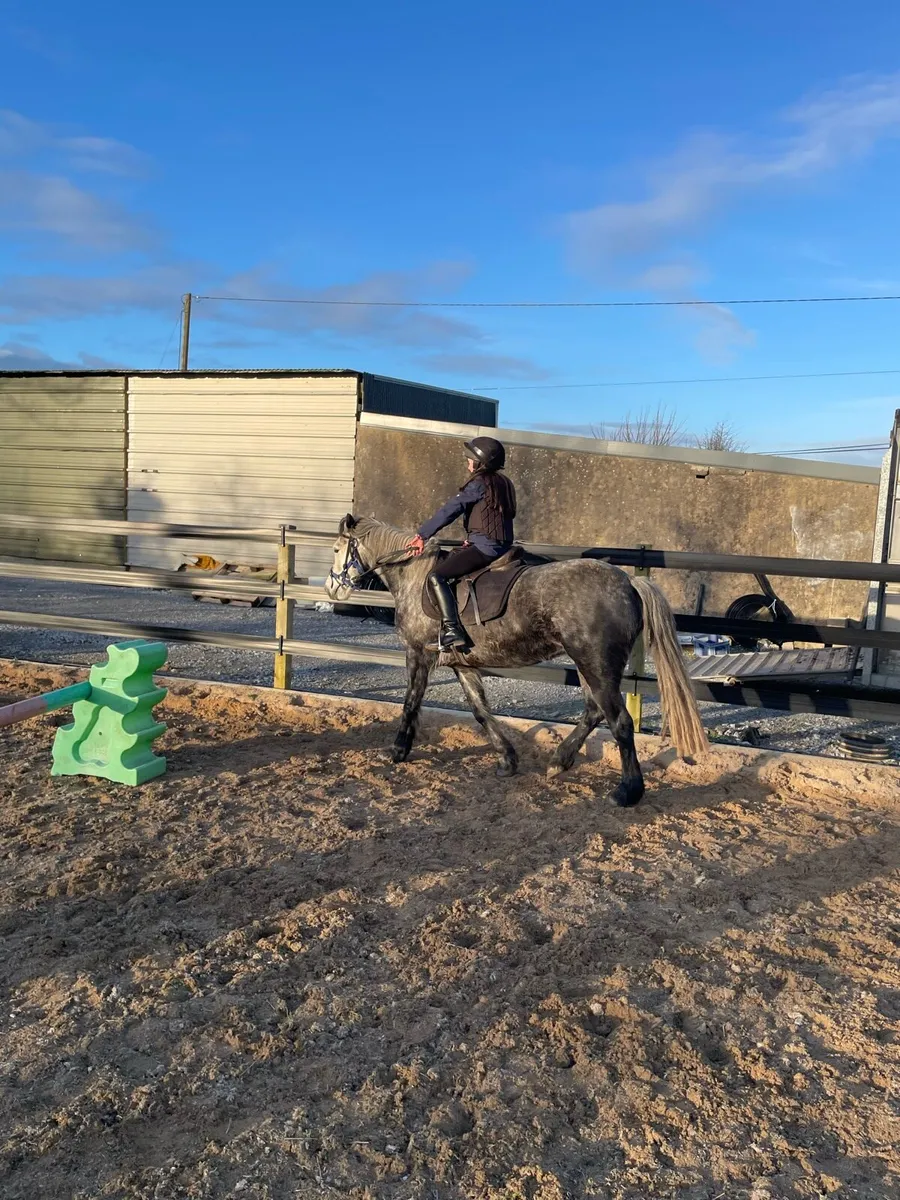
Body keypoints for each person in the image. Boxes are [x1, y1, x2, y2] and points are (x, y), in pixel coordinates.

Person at [406, 436, 516, 651]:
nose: (467, 463)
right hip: (501, 545)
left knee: (437, 576)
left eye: (470, 459)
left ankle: (452, 630)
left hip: (486, 548)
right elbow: (493, 517)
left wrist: (422, 535)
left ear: (480, 462)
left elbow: (450, 509)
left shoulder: (478, 484)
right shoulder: (504, 482)